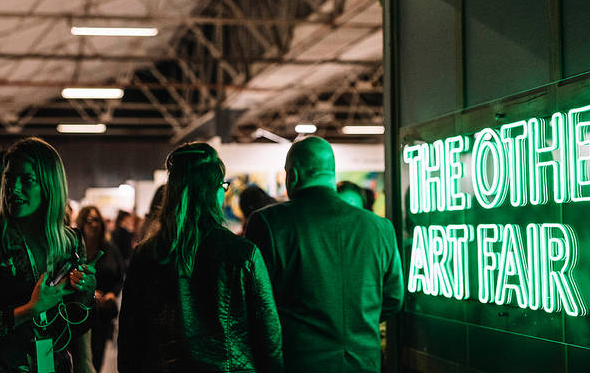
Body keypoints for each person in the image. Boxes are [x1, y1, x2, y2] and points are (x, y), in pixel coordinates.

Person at [118, 142, 283, 372]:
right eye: (223, 185)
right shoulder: (242, 254)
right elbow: (269, 339)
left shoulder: (146, 256)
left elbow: (129, 340)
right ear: (213, 191)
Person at [245, 136, 404, 372]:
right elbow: (393, 298)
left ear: (294, 175)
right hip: (364, 363)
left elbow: (256, 304)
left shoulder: (268, 224)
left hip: (298, 363)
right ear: (332, 173)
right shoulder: (380, 228)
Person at [0, 137, 97, 373]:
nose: (13, 188)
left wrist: (86, 293)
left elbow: (78, 323)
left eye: (26, 179)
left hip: (55, 366)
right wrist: (29, 310)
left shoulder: (69, 241)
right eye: (9, 178)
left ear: (49, 184)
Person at [76, 206, 124, 372]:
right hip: (78, 314)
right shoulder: (74, 250)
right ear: (82, 223)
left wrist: (112, 294)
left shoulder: (109, 249)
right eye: (89, 220)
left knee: (96, 359)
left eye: (97, 220)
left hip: (102, 316)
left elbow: (119, 276)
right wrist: (89, 293)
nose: (93, 224)